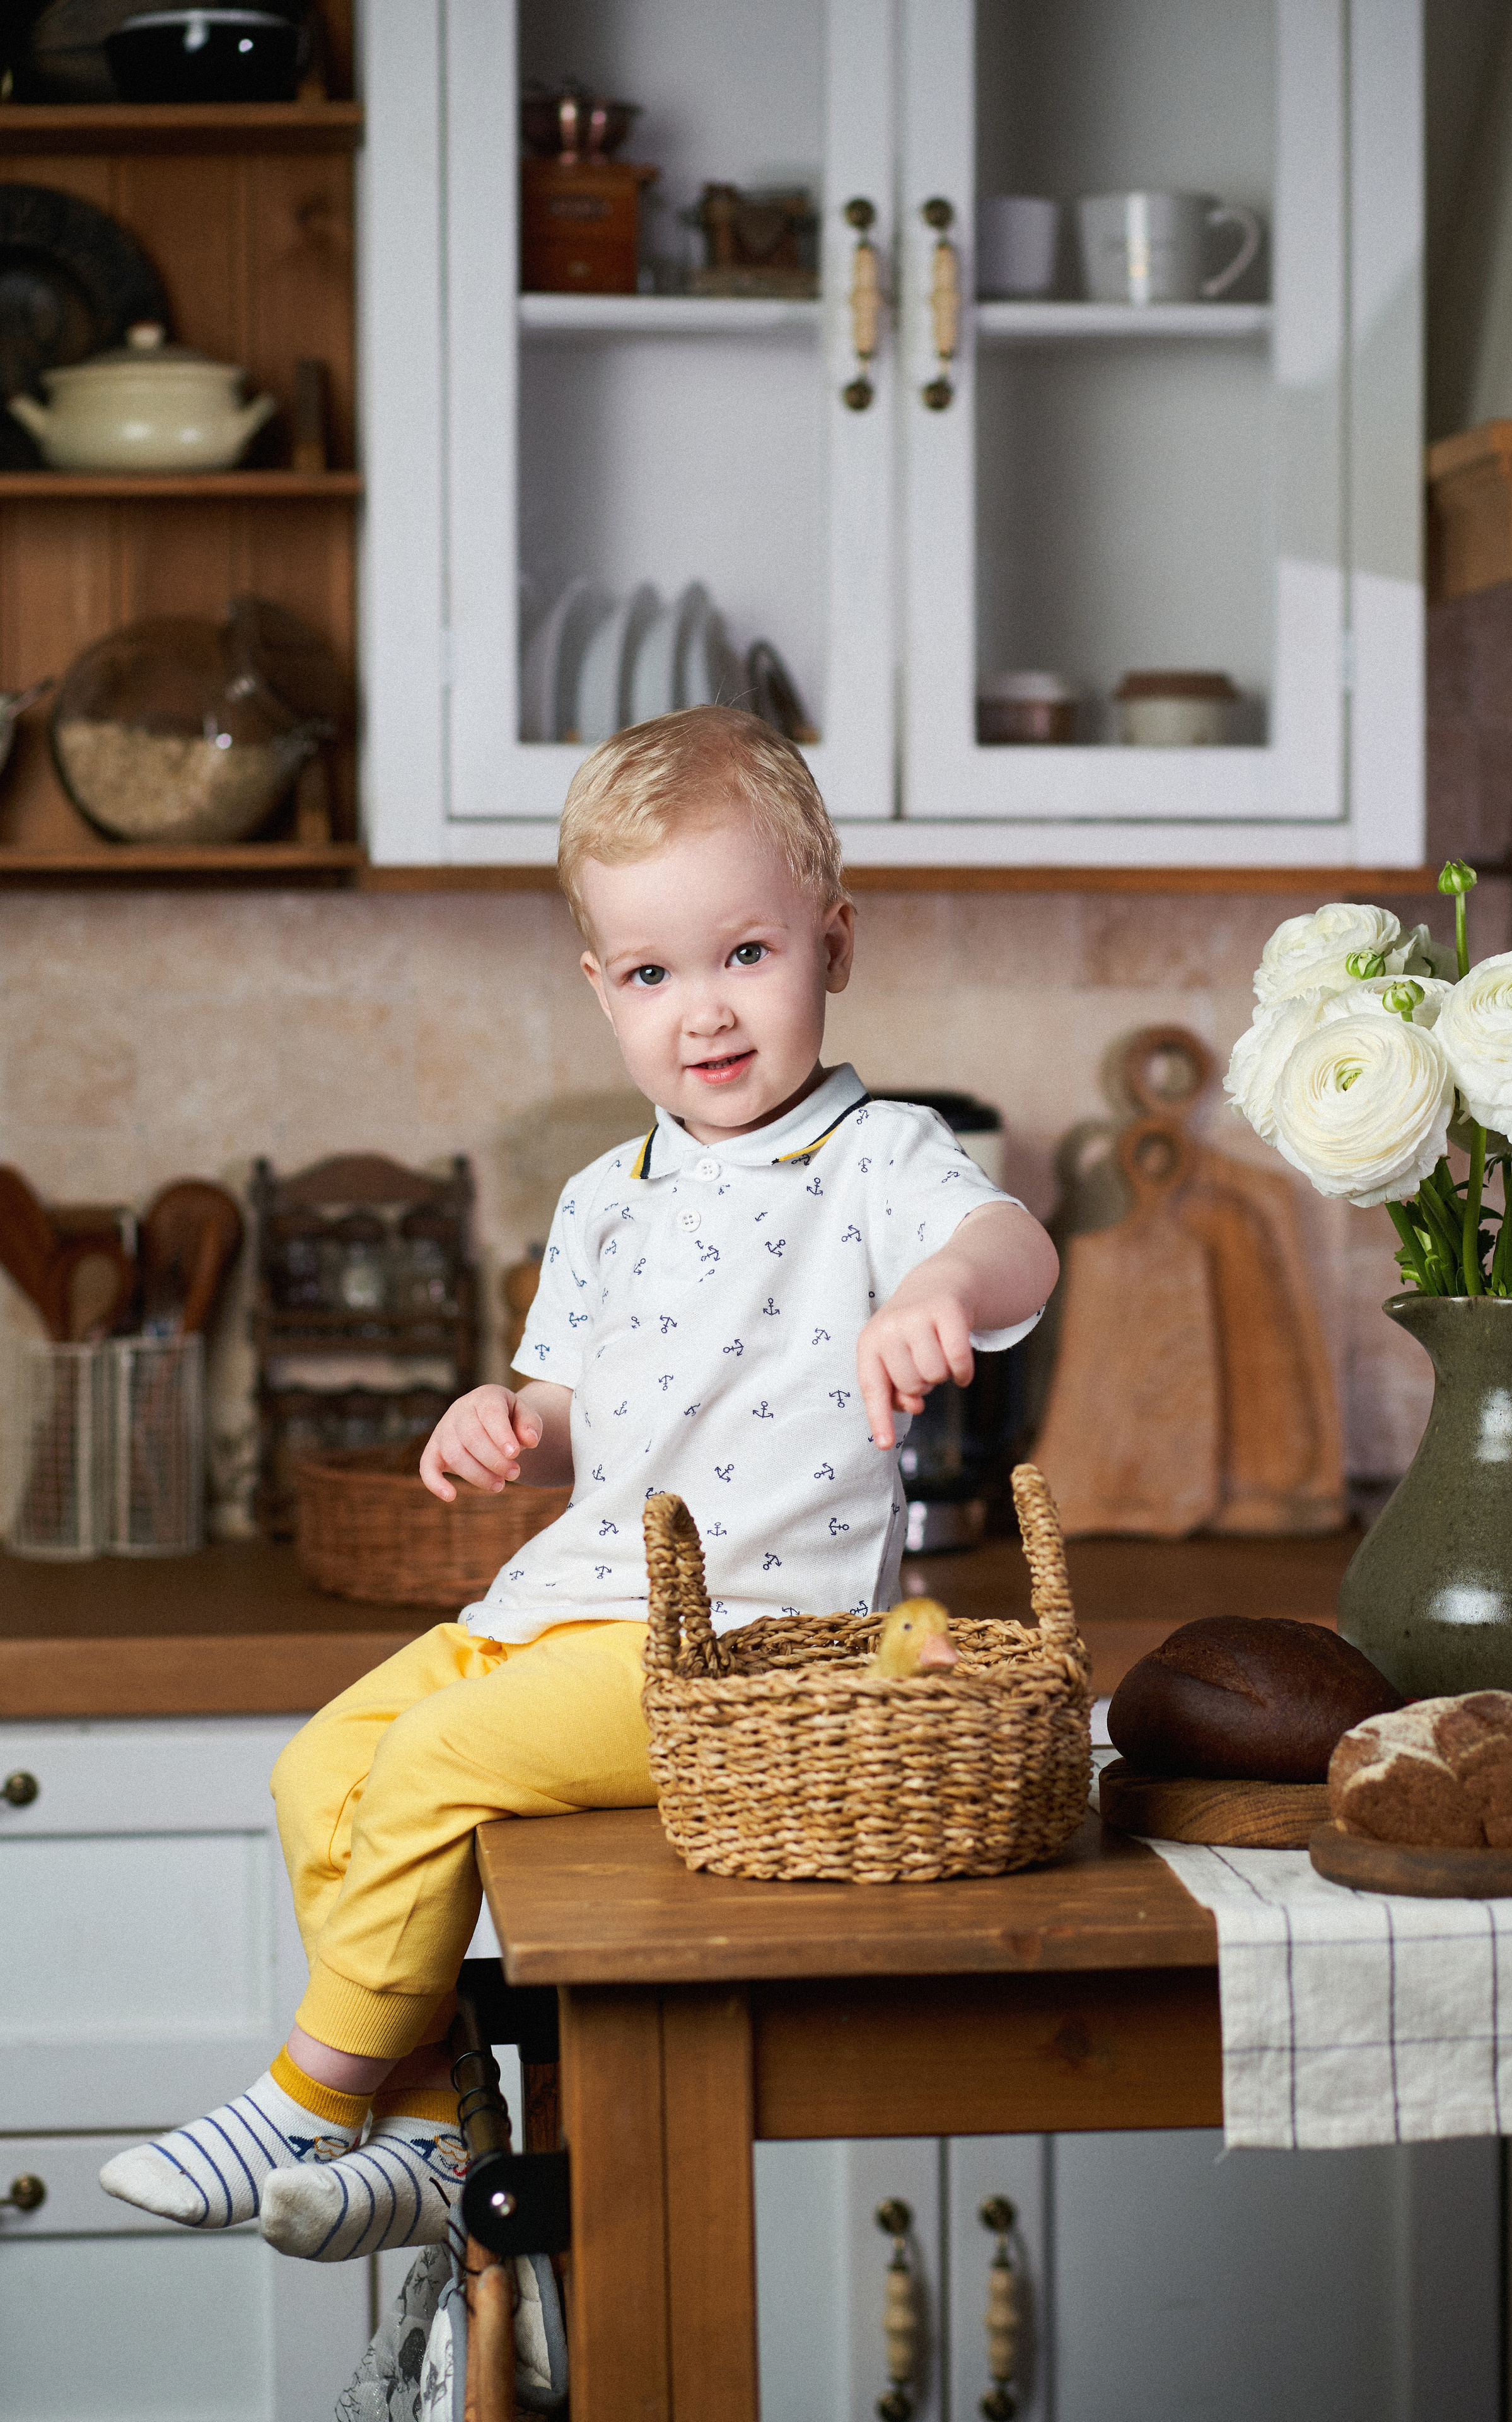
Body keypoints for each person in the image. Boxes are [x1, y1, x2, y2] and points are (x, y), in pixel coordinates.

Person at [100, 706, 1059, 2261]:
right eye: (651, 973)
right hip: (566, 1595)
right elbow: (572, 1394)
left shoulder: (879, 1156)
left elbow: (1016, 1244)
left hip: (738, 1642)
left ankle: (305, 2090)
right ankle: (418, 2128)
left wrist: (938, 1289)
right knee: (317, 1772)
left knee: (441, 1762)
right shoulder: (602, 1198)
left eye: (746, 955)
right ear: (599, 987)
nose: (704, 1013)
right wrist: (507, 1415)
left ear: (835, 943)